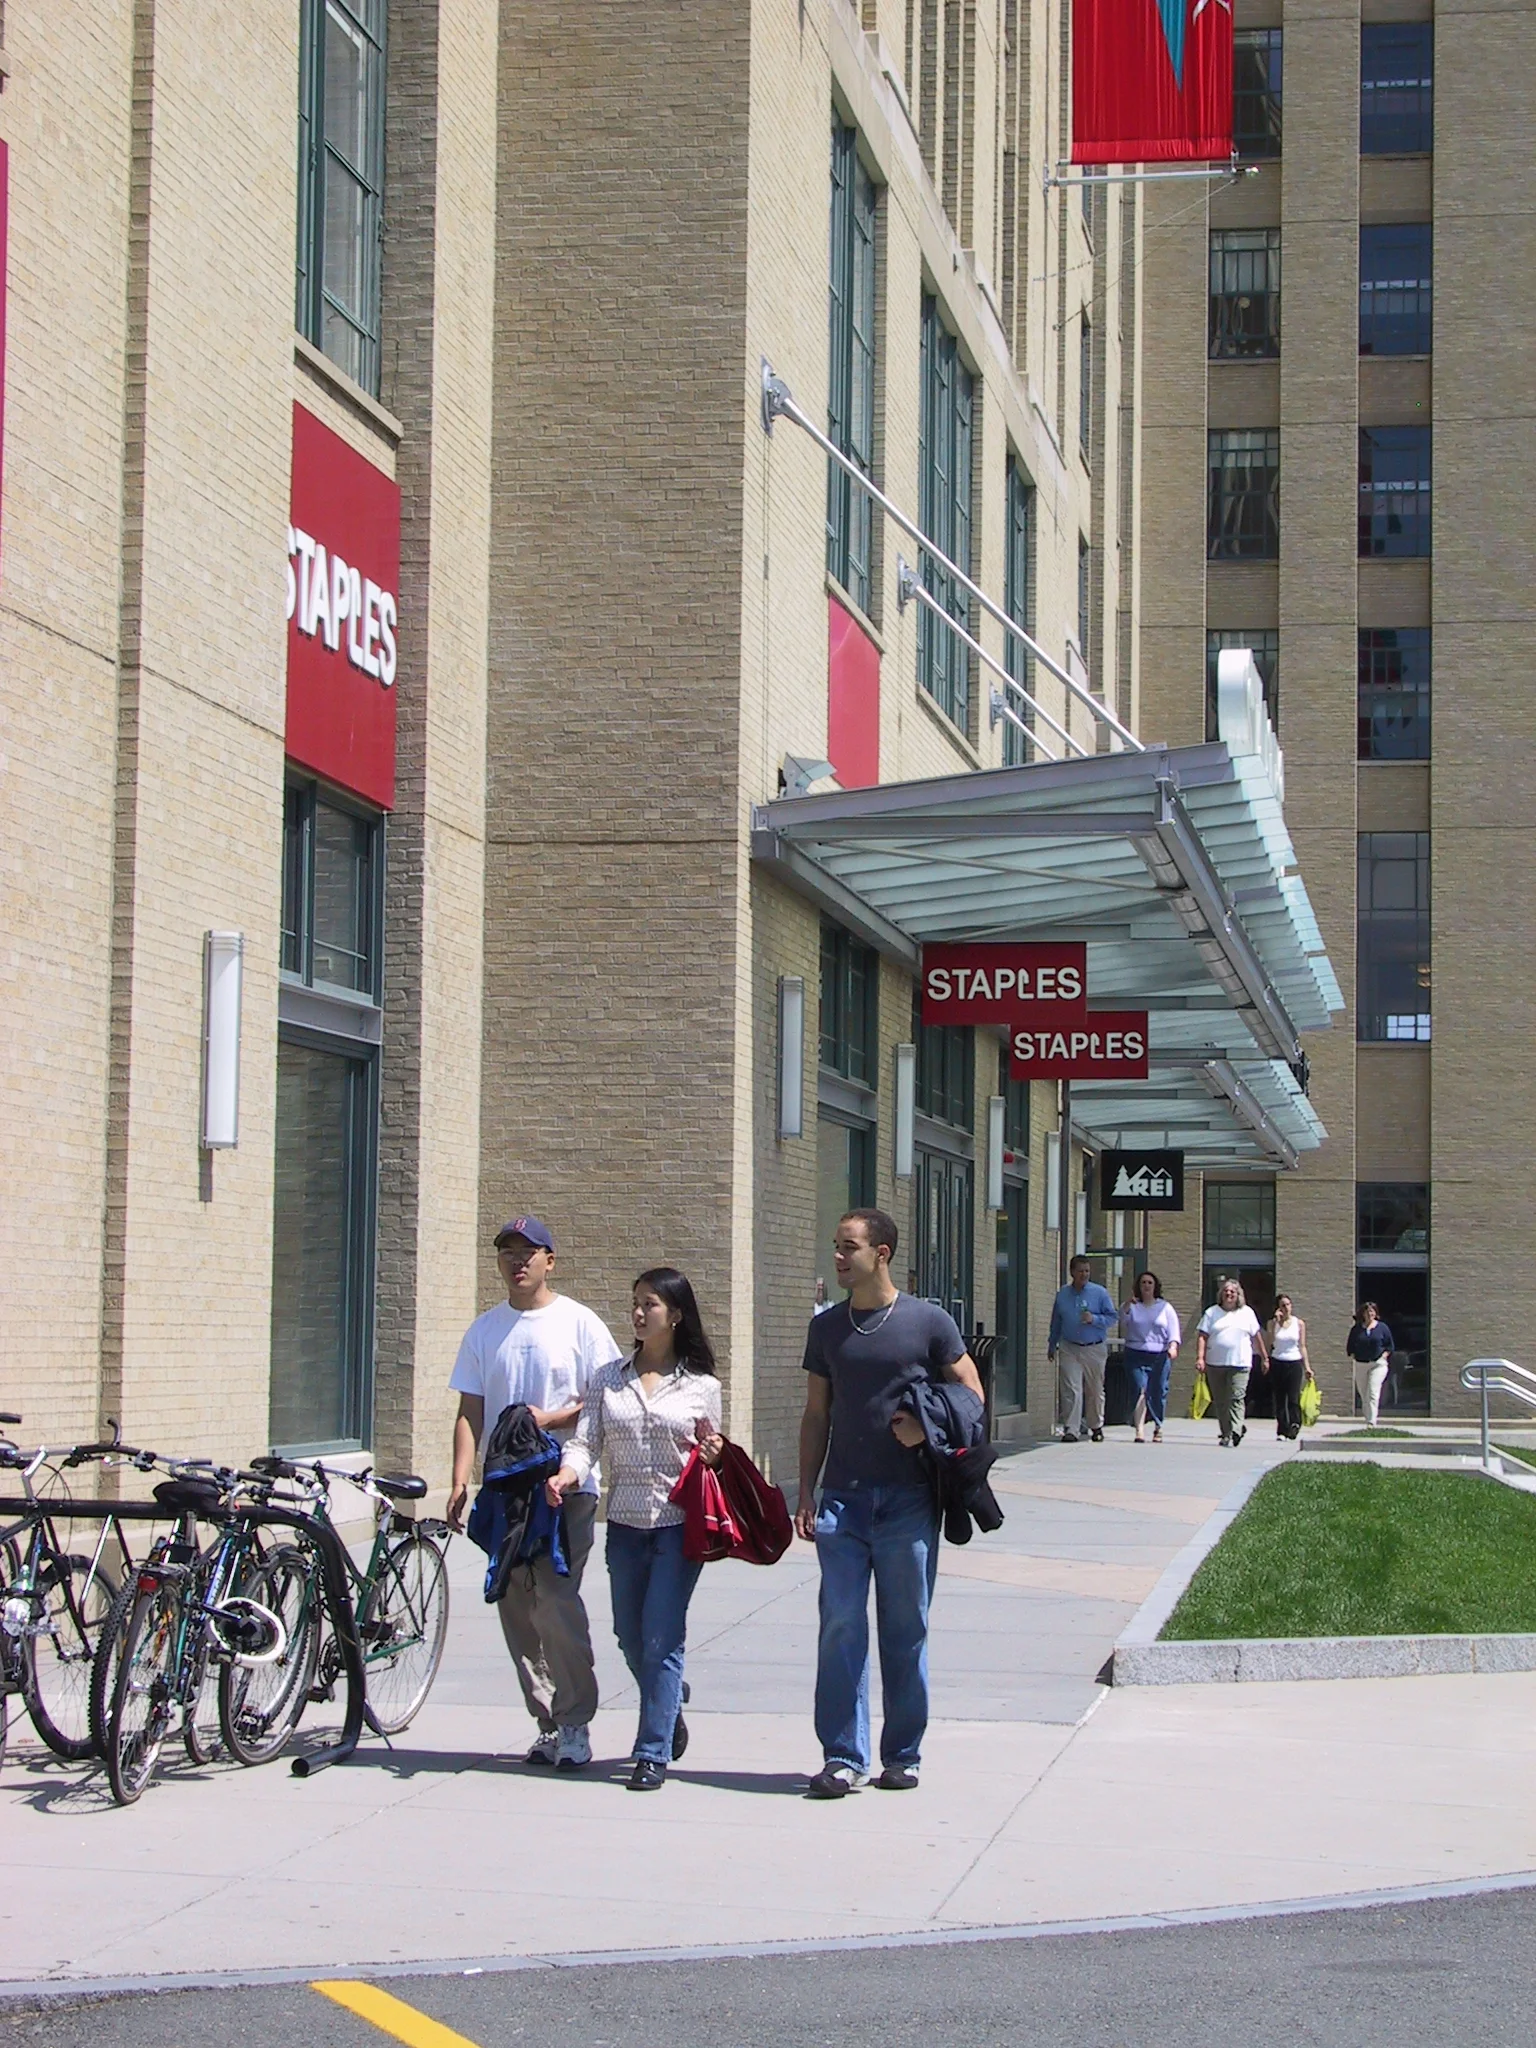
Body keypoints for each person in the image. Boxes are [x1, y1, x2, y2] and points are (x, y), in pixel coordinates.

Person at [794, 1208, 984, 1799]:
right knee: (840, 1626)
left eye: (848, 1246)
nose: (838, 1256)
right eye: (835, 1245)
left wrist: (927, 1429)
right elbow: (817, 1414)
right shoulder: (827, 1329)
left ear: (882, 1253)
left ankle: (902, 1755)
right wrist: (806, 1490)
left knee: (906, 1629)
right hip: (842, 1502)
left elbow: (973, 1394)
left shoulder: (928, 1322)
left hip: (908, 1501)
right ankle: (842, 1756)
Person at [447, 1216, 623, 1770]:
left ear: (551, 1260)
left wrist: (547, 1419)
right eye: (508, 1251)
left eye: (529, 1251)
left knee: (555, 1599)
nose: (518, 1261)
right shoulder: (484, 1330)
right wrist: (460, 1479)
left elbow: (605, 1396)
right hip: (507, 1489)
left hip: (566, 1483)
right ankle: (547, 1722)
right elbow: (469, 1411)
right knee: (517, 1605)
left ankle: (575, 1721)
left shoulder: (579, 1323)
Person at [548, 1268, 723, 1792]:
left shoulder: (702, 1386)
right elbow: (586, 1443)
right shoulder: (609, 1378)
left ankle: (652, 1752)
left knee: (661, 1638)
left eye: (650, 1304)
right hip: (624, 1524)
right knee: (629, 1635)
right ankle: (669, 1704)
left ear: (676, 1315)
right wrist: (567, 1474)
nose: (639, 1313)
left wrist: (714, 1453)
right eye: (636, 1303)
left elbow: (711, 1453)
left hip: (677, 1527)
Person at [1048, 1255, 1118, 1442]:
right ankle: (1072, 1429)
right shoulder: (1062, 1295)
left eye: (1087, 1271)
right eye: (1080, 1271)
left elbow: (1112, 1317)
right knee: (1071, 1389)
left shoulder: (1100, 1293)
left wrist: (1094, 1319)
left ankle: (1096, 1425)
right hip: (1069, 1346)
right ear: (1072, 1272)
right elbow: (1056, 1321)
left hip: (1094, 1347)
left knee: (1095, 1390)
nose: (1084, 1274)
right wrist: (1052, 1343)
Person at [1194, 1279, 1269, 1447]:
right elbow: (1202, 1336)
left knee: (1236, 1397)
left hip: (1240, 1363)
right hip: (1215, 1363)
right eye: (1226, 1291)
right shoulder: (1211, 1313)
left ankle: (1236, 1430)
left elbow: (1256, 1337)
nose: (1229, 1294)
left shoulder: (1247, 1313)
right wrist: (1200, 1358)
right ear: (1221, 1294)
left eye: (1232, 1291)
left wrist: (1265, 1357)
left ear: (1238, 1295)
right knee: (1221, 1401)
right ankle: (1227, 1433)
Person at [1119, 1271, 1181, 1443]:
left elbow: (1173, 1330)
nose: (1146, 1286)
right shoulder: (1132, 1306)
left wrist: (1173, 1346)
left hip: (1159, 1354)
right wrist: (1126, 1306)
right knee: (1139, 1388)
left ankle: (1158, 1426)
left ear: (1155, 1287)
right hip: (1135, 1352)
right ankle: (1139, 1430)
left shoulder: (1165, 1307)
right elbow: (1122, 1321)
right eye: (1143, 1283)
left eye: (1149, 1283)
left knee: (1158, 1390)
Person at [1267, 1294, 1312, 1440]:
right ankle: (1282, 1430)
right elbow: (1270, 1342)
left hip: (1294, 1362)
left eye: (1288, 1305)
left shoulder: (1299, 1323)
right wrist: (1276, 1323)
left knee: (1293, 1397)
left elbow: (1302, 1346)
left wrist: (1307, 1367)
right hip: (1278, 1361)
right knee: (1280, 1398)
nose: (1286, 1308)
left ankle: (1295, 1424)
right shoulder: (1272, 1324)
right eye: (1282, 1305)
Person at [1347, 1301, 1395, 1427]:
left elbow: (1389, 1346)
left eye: (1372, 1311)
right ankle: (1368, 1418)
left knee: (1373, 1392)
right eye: (1367, 1312)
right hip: (1361, 1364)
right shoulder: (1356, 1329)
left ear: (1376, 1313)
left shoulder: (1382, 1328)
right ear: (1363, 1314)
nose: (1370, 1314)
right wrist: (1355, 1355)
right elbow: (1350, 1346)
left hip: (1378, 1364)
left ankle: (1371, 1422)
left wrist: (1384, 1356)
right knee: (1364, 1394)